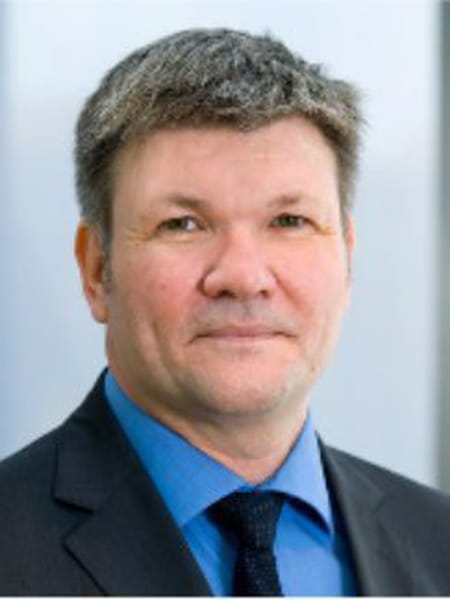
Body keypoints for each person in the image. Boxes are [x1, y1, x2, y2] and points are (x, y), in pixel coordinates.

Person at [0, 27, 449, 597]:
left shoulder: (437, 541)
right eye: (183, 224)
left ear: (347, 255)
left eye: (290, 221)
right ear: (96, 270)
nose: (243, 276)